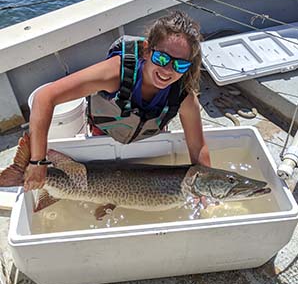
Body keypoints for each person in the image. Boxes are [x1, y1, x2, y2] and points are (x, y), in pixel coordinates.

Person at [24, 10, 211, 192]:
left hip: (148, 143)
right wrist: (37, 161)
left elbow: (198, 146)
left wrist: (206, 191)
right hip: (104, 135)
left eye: (180, 64)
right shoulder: (114, 74)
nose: (168, 70)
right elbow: (44, 97)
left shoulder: (184, 96)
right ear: (146, 51)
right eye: (161, 58)